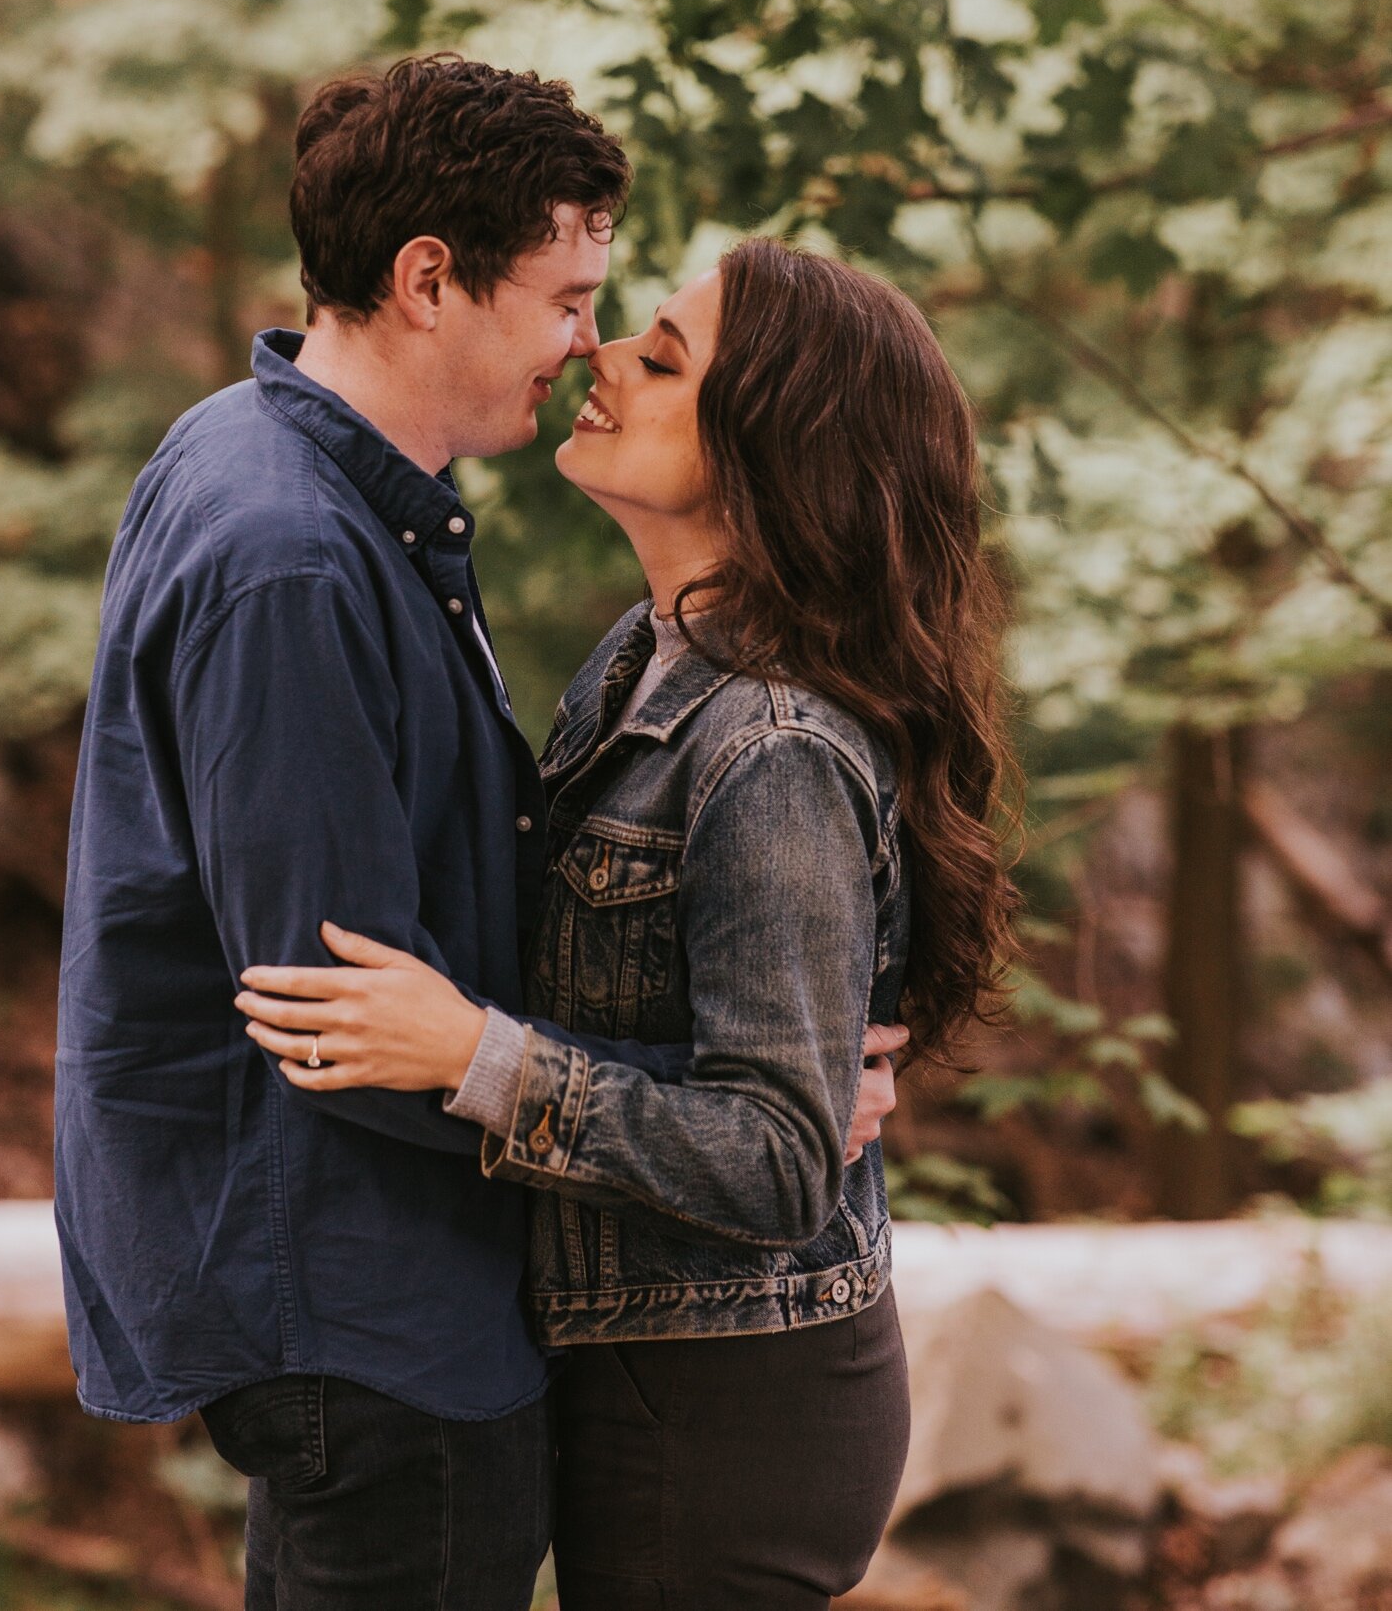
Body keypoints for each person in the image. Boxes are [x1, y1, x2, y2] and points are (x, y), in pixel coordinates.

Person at [55, 56, 901, 1611]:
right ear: (430, 278)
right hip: (373, 1304)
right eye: (573, 297)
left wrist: (770, 1082)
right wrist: (752, 1108)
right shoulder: (295, 553)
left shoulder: (290, 477)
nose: (588, 342)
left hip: (424, 1307)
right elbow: (354, 1021)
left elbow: (445, 977)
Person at [236, 234, 1018, 1611]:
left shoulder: (770, 747)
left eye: (660, 356)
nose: (598, 354)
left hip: (731, 1402)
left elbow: (777, 1158)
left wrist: (475, 1056)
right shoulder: (642, 662)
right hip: (654, 1357)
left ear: (771, 445)